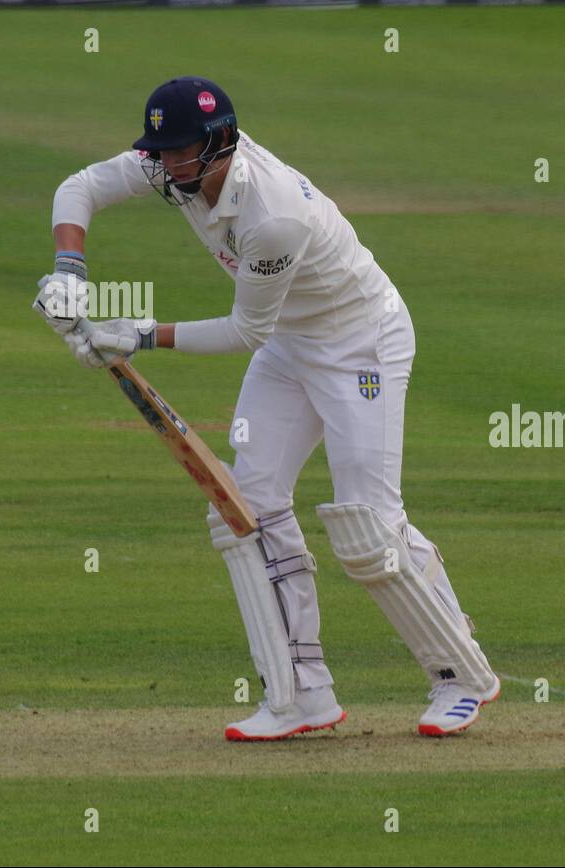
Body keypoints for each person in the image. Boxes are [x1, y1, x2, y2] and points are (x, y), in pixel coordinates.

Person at [33, 76, 499, 741]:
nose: (166, 166)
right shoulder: (173, 168)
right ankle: (301, 694)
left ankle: (461, 675)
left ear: (220, 142)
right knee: (243, 506)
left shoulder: (272, 214)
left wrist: (138, 334)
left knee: (370, 525)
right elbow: (79, 186)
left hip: (358, 342)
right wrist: (69, 271)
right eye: (160, 152)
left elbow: (242, 331)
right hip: (292, 343)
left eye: (180, 152)